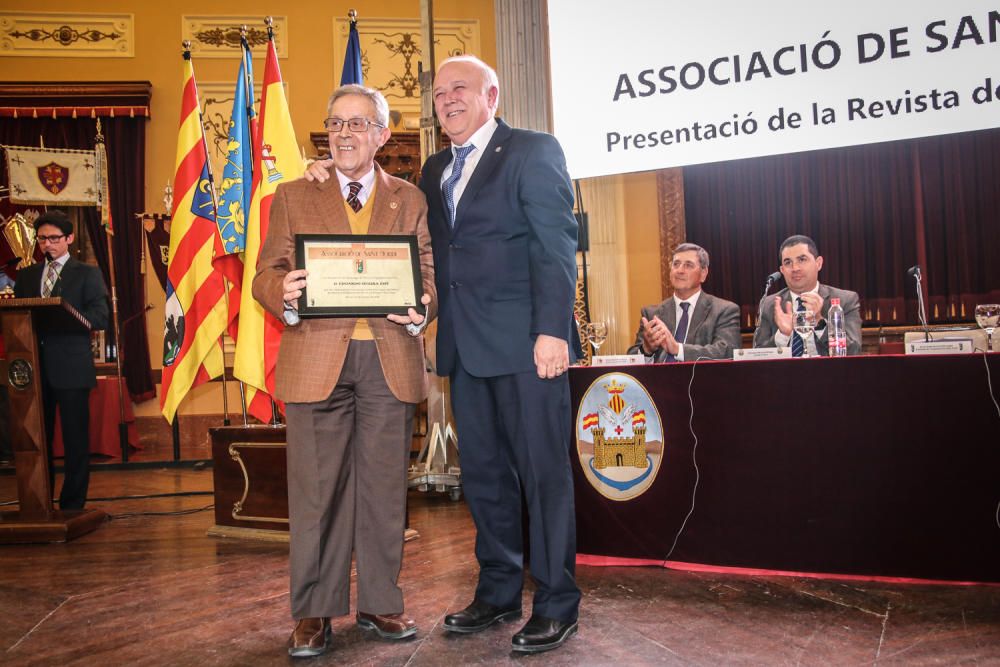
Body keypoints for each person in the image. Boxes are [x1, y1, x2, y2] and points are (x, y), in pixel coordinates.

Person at [305, 56, 581, 655]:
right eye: (438, 94)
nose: (448, 100)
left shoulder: (534, 151)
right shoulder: (434, 167)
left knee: (543, 476)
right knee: (483, 479)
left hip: (531, 347)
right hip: (464, 348)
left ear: (492, 95)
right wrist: (329, 170)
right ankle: (500, 589)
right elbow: (403, 235)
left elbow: (558, 246)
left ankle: (558, 601)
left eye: (460, 89)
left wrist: (553, 330)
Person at [252, 84, 436, 659]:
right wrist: (280, 291)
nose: (346, 134)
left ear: (382, 135)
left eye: (359, 124)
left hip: (388, 357)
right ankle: (313, 612)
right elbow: (265, 271)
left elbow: (426, 271)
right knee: (316, 494)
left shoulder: (409, 198)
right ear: (326, 133)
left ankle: (381, 602)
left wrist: (421, 305)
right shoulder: (293, 194)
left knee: (384, 492)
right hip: (316, 358)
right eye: (336, 124)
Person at [13, 210, 108, 510]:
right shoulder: (27, 276)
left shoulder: (87, 273)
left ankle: (72, 505)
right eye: (42, 239)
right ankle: (38, 502)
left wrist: (68, 315)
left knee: (75, 442)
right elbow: (19, 319)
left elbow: (100, 316)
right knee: (35, 441)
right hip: (33, 371)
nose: (48, 245)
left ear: (68, 239)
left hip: (71, 369)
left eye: (54, 238)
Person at [627, 242, 741, 361]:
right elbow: (631, 360)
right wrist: (646, 350)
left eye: (688, 265)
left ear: (703, 273)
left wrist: (678, 349)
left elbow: (728, 352)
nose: (680, 270)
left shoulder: (724, 311)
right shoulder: (652, 314)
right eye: (676, 264)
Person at [753, 234, 862, 356]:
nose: (795, 268)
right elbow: (758, 355)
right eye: (788, 262)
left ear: (818, 263)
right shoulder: (769, 304)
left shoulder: (845, 300)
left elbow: (854, 351)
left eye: (802, 259)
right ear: (782, 270)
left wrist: (819, 322)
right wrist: (782, 335)